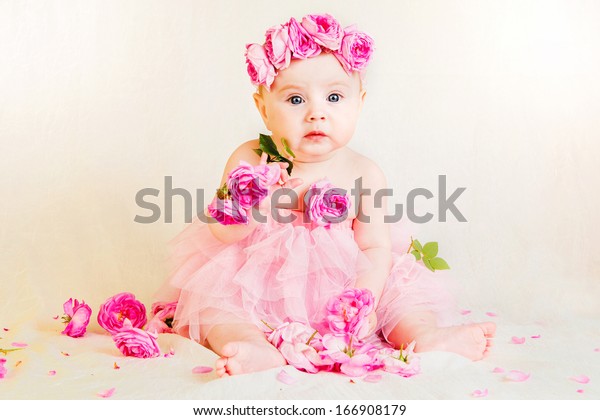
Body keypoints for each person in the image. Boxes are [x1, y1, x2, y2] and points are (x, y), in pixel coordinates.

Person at [155, 13, 495, 377]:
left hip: (347, 282)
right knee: (215, 307)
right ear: (263, 108)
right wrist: (255, 206)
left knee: (401, 296)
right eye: (295, 99)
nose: (317, 113)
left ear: (359, 102)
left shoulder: (364, 172)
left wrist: (363, 300)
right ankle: (252, 345)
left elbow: (375, 248)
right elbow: (222, 231)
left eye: (334, 97)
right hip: (255, 281)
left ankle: (424, 334)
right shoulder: (251, 158)